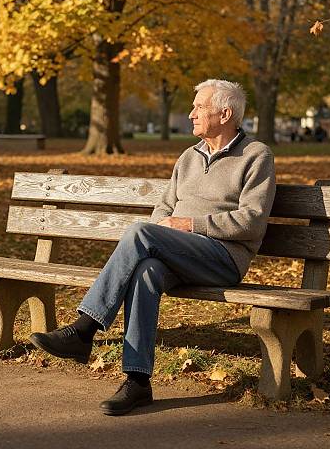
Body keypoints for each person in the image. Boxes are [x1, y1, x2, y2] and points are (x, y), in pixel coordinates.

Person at [30, 79, 276, 416]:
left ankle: (85, 328)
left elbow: (253, 220)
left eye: (198, 107)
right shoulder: (188, 157)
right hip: (177, 253)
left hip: (223, 258)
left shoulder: (256, 155)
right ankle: (138, 381)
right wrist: (167, 227)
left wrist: (189, 225)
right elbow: (163, 208)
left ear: (225, 113)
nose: (191, 114)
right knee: (146, 272)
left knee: (140, 234)